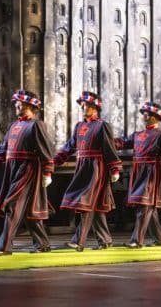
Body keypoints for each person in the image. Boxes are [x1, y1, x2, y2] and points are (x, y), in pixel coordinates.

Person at [0, 90, 54, 255]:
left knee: (12, 206)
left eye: (21, 105)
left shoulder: (36, 125)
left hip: (27, 170)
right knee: (26, 210)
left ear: (30, 107)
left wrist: (47, 172)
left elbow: (45, 150)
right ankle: (42, 244)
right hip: (12, 170)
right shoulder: (14, 126)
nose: (17, 107)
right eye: (17, 104)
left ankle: (4, 247)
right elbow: (3, 148)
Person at [54, 91, 122, 251]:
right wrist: (54, 161)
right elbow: (70, 146)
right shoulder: (79, 126)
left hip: (96, 168)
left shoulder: (102, 125)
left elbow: (109, 148)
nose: (83, 108)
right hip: (82, 168)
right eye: (82, 105)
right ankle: (105, 240)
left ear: (95, 107)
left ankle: (78, 241)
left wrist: (115, 169)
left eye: (86, 105)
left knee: (86, 202)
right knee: (94, 205)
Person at [115, 101, 161, 248]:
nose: (145, 116)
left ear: (155, 117)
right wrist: (105, 141)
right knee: (149, 208)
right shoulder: (138, 135)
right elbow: (122, 143)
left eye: (148, 114)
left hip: (152, 172)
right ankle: (159, 238)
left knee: (144, 206)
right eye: (144, 113)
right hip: (138, 172)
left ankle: (136, 240)